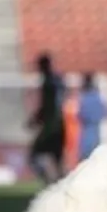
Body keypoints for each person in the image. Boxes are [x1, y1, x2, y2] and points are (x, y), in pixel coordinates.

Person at [27, 52, 66, 185]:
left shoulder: (48, 83)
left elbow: (48, 106)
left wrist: (36, 119)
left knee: (34, 156)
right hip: (60, 124)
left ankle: (50, 184)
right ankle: (60, 184)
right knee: (57, 159)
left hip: (51, 126)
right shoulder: (57, 80)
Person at [76, 72, 107, 165]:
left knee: (85, 160)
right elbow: (106, 113)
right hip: (95, 134)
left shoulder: (84, 99)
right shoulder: (98, 98)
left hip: (87, 134)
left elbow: (80, 115)